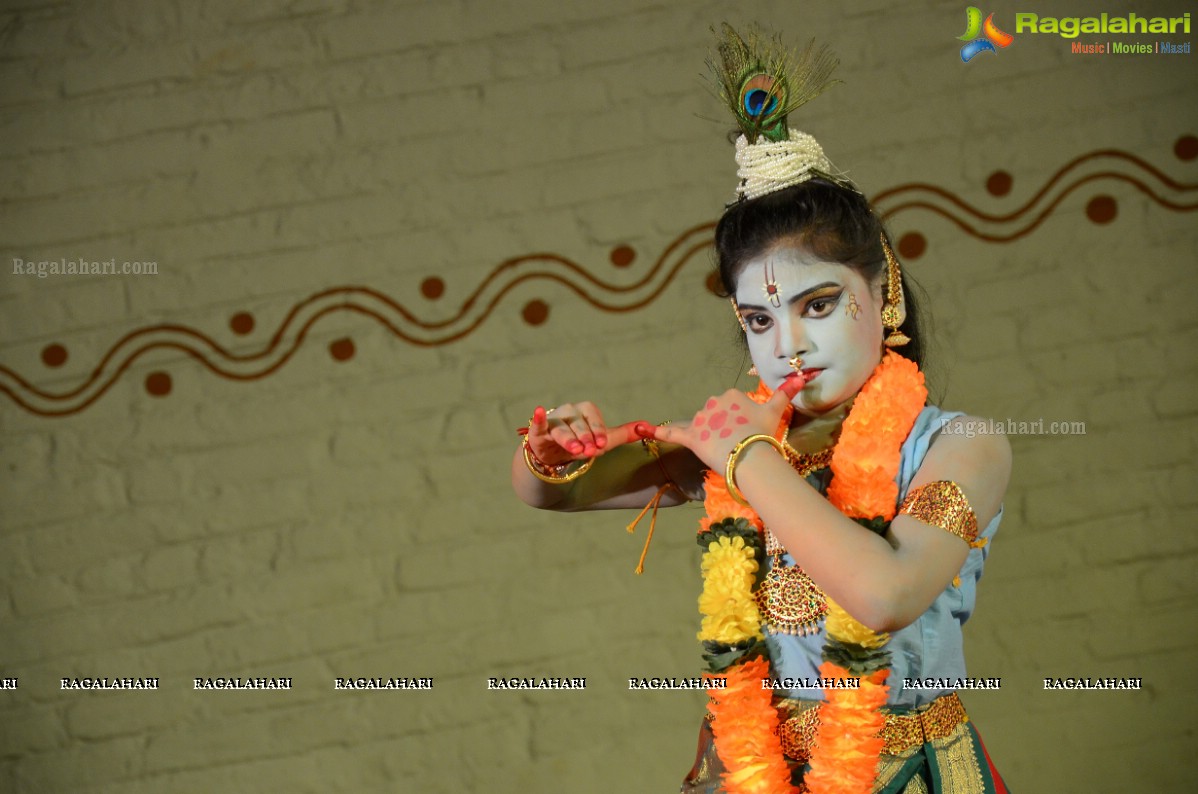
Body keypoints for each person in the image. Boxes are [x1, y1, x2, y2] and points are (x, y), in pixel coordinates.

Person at [511, 26, 1011, 794]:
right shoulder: (747, 448)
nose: (791, 345)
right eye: (759, 320)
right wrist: (554, 450)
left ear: (885, 294)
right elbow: (553, 493)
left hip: (907, 772)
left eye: (818, 304)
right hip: (755, 771)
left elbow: (884, 594)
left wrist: (743, 457)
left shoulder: (960, 446)